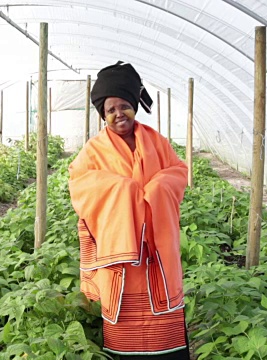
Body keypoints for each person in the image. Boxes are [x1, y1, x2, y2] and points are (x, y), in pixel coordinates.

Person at [68, 61, 190, 359]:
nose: (118, 113)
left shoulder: (156, 141)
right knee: (124, 325)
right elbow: (80, 184)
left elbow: (178, 171)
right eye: (110, 110)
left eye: (124, 106)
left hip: (156, 251)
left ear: (134, 107)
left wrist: (158, 188)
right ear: (103, 114)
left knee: (164, 327)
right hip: (120, 255)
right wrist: (125, 191)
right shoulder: (93, 150)